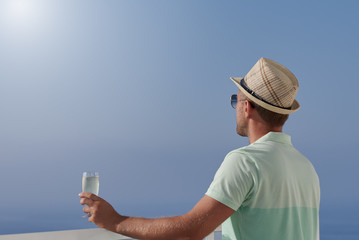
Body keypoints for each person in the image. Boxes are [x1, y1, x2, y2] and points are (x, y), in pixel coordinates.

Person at [79, 57, 320, 240]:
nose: (235, 108)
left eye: (235, 100)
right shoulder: (306, 167)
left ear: (248, 108)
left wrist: (116, 221)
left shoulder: (245, 162)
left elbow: (192, 230)